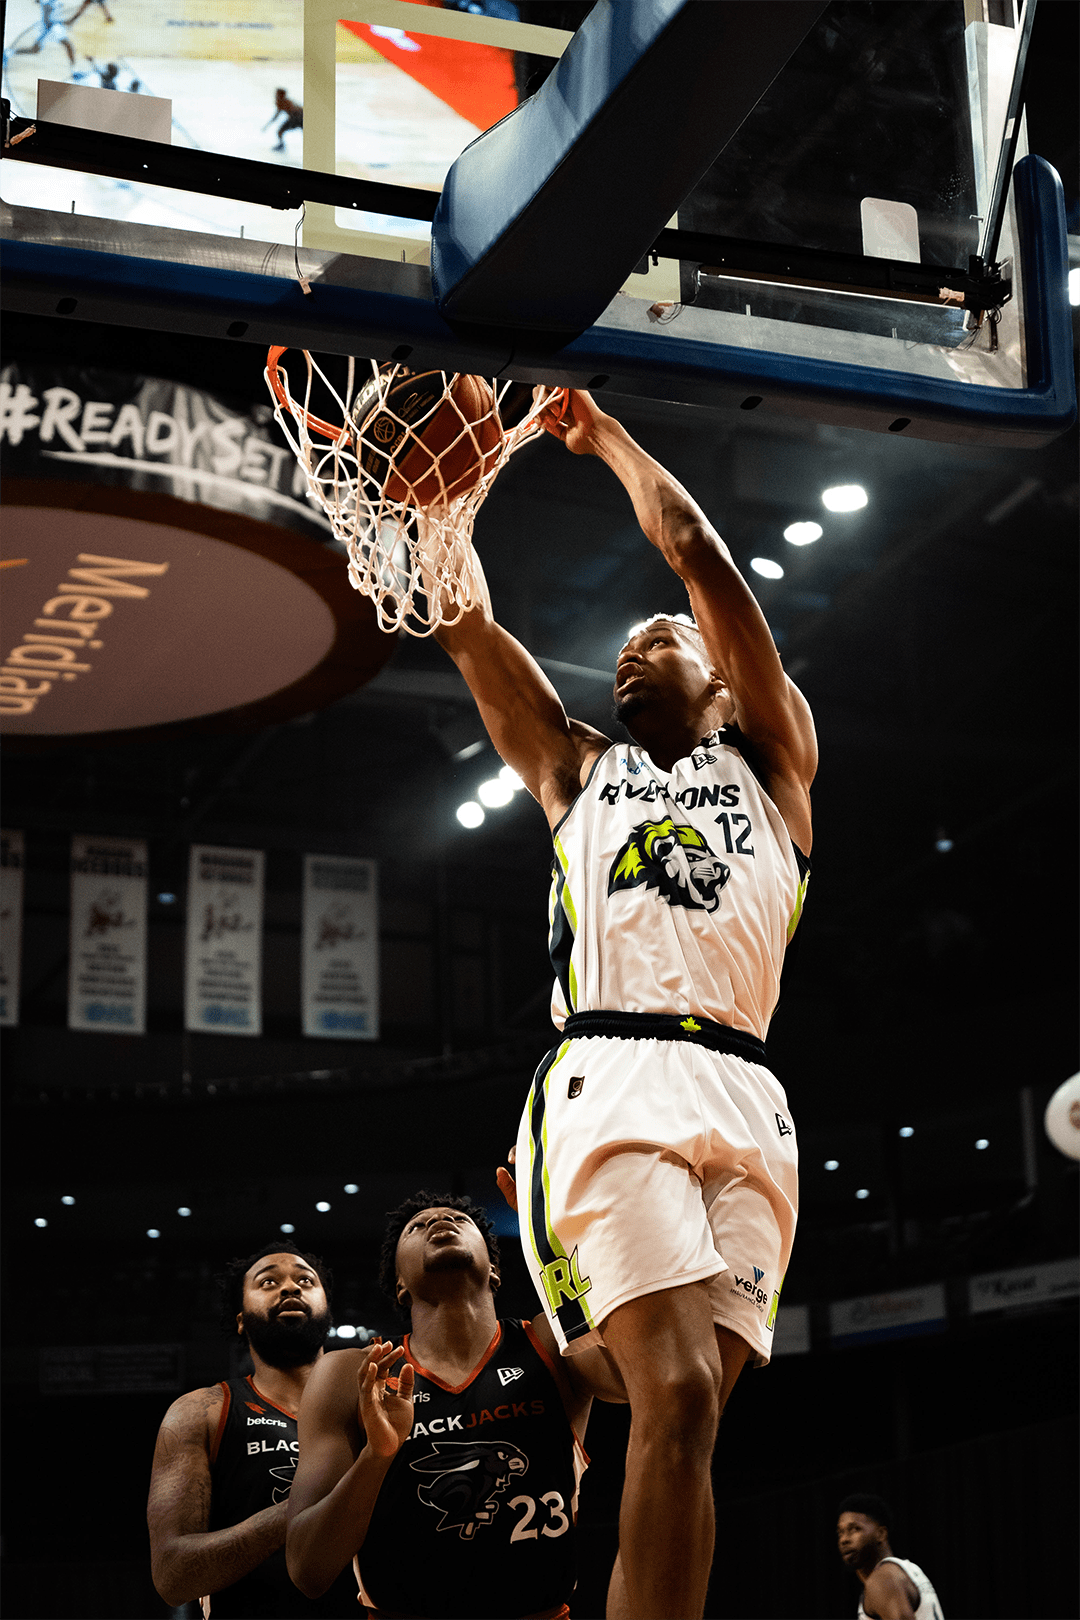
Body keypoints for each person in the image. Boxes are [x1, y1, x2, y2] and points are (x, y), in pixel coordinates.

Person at [426, 388, 816, 1619]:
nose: (638, 644)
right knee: (683, 1394)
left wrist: (605, 439)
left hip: (751, 1092)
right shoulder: (575, 769)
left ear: (722, 680)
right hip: (611, 1072)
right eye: (625, 646)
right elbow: (466, 624)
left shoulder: (779, 767)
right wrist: (432, 510)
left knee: (689, 1417)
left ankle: (563, 1386)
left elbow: (695, 554)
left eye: (663, 635)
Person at [286, 1191, 626, 1619]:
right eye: (417, 1226)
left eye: (457, 1219)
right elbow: (307, 1569)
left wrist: (559, 1241)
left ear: (495, 1270)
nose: (440, 1221)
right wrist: (377, 1457)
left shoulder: (550, 1342)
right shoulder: (351, 1374)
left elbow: (631, 1383)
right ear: (400, 1285)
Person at [147, 1243, 359, 1616]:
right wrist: (307, 1508)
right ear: (241, 1318)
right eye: (268, 1282)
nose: (290, 1288)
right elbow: (172, 1575)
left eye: (305, 1280)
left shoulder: (376, 1400)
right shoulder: (202, 1411)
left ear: (328, 1309)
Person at [837, 1494, 945, 1619]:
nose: (844, 1539)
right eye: (840, 1532)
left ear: (881, 1534)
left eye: (855, 1529)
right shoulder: (905, 1570)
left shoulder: (882, 1579)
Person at [265, 89, 303, 154]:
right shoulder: (279, 102)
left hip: (299, 118)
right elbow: (277, 114)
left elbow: (296, 110)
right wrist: (267, 125)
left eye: (278, 94)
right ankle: (281, 146)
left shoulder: (287, 102)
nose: (276, 95)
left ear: (282, 95)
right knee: (280, 132)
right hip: (295, 119)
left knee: (280, 131)